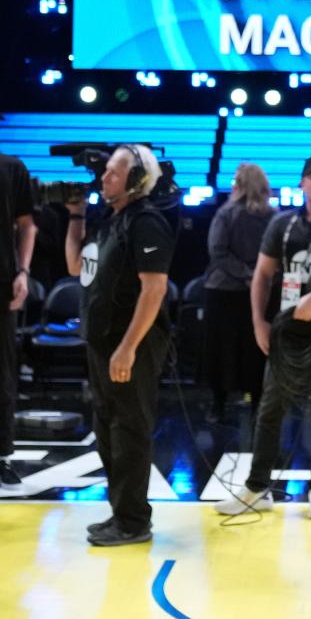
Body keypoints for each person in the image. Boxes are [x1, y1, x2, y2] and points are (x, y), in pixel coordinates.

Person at [214, 154, 311, 520]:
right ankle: (257, 488)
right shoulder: (282, 225)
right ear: (301, 183)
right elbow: (262, 274)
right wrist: (258, 321)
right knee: (270, 411)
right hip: (287, 334)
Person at [65, 145, 175, 546]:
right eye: (106, 170)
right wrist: (76, 216)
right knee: (107, 428)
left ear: (135, 180)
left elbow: (155, 289)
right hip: (101, 340)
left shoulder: (146, 222)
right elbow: (76, 266)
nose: (104, 177)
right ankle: (121, 513)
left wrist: (128, 347)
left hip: (132, 343)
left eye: (113, 172)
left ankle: (133, 521)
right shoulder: (109, 219)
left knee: (129, 429)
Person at [203, 162, 273, 421]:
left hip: (225, 290)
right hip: (250, 291)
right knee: (254, 350)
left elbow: (217, 252)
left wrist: (247, 275)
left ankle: (218, 406)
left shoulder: (226, 213)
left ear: (241, 185)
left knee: (223, 350)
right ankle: (253, 405)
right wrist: (255, 275)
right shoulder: (273, 216)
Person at [0, 152, 36, 491]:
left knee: (3, 372)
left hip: (2, 281)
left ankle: (1, 456)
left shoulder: (11, 168)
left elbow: (27, 225)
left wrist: (23, 271)